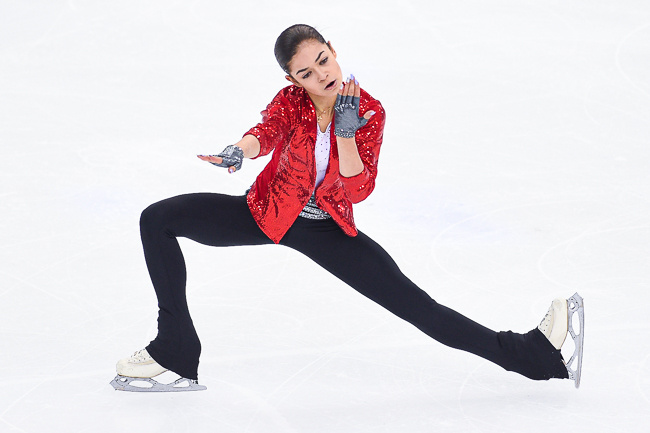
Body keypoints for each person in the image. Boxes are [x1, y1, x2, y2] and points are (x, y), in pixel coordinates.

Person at [111, 24, 584, 392]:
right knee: (157, 219)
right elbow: (266, 131)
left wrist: (344, 133)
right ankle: (174, 348)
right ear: (292, 80)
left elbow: (358, 190)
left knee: (419, 308)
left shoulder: (369, 111)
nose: (321, 75)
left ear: (332, 50)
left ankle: (534, 354)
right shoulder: (292, 102)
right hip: (267, 212)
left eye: (322, 60)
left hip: (325, 228)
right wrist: (239, 149)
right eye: (306, 73)